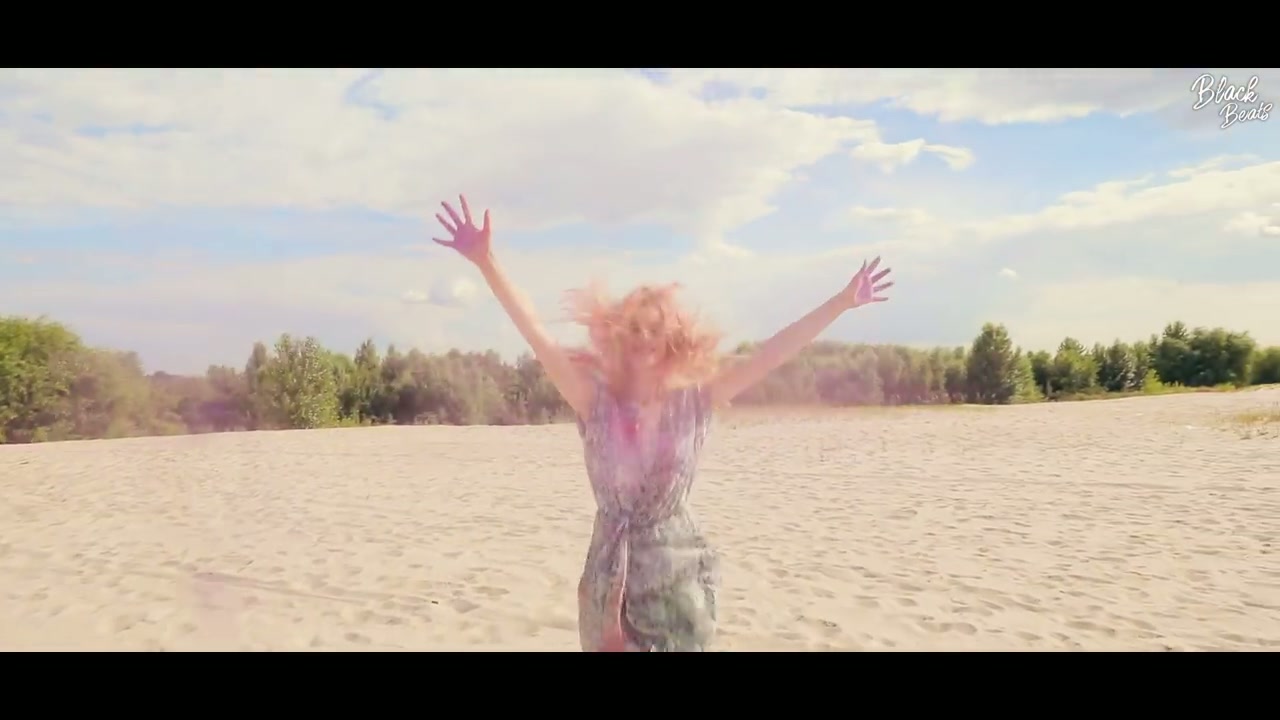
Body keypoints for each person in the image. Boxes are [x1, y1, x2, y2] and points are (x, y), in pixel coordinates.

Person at [432, 194, 893, 652]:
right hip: (609, 586)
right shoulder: (595, 402)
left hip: (677, 587)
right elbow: (537, 335)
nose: (645, 339)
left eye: (656, 330)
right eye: (635, 329)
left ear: (673, 339)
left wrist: (841, 302)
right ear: (620, 336)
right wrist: (487, 262)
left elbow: (772, 353)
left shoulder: (696, 400)